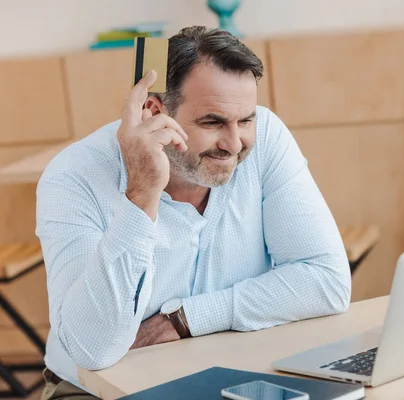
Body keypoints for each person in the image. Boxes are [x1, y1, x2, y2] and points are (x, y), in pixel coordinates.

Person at [35, 26, 351, 399]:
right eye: (212, 122)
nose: (234, 144)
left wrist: (185, 319)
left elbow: (325, 281)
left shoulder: (267, 138)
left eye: (245, 119)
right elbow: (93, 350)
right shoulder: (74, 175)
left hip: (235, 371)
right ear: (154, 112)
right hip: (97, 390)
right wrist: (141, 194)